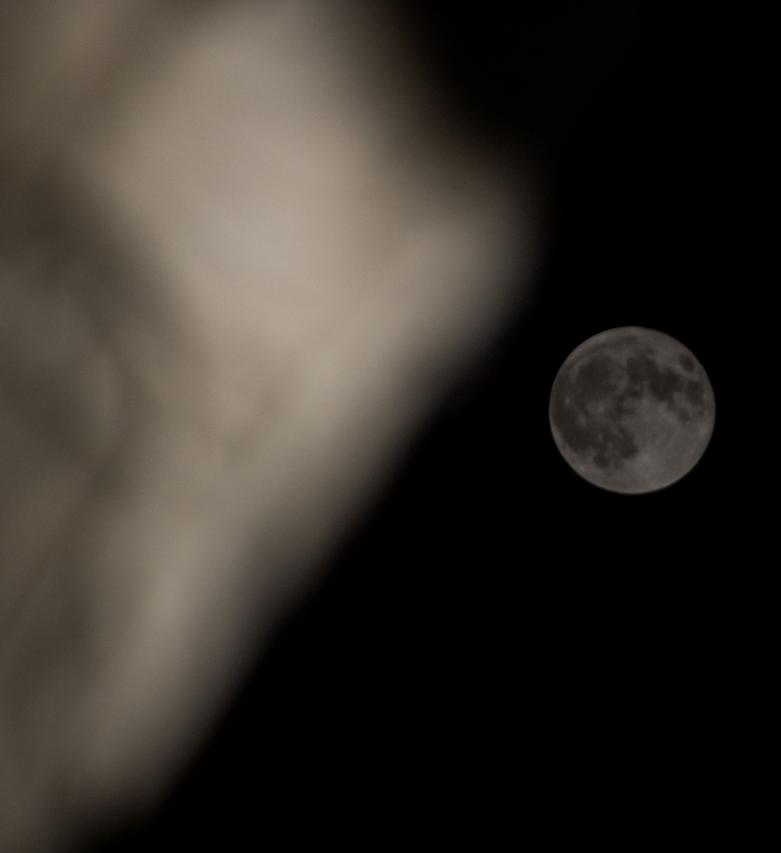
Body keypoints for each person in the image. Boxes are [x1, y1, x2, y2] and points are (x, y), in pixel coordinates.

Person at [0, 3, 644, 851]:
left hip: (118, 556)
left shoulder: (472, 231)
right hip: (61, 362)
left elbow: (284, 492)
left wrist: (154, 662)